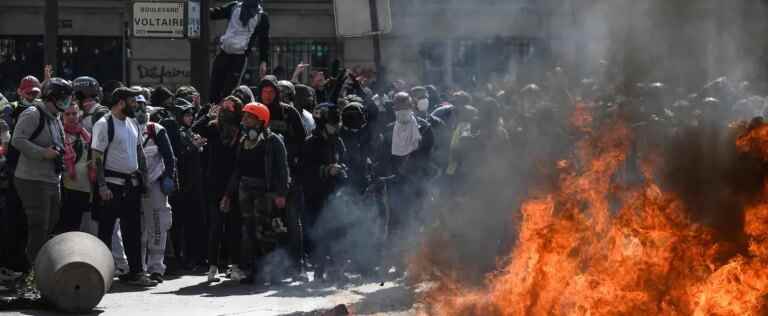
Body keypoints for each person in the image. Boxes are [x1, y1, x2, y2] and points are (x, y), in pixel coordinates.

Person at [91, 87, 156, 286]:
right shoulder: (104, 124)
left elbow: (139, 153)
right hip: (111, 186)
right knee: (105, 231)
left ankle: (136, 273)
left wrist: (144, 181)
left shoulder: (132, 123)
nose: (136, 105)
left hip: (131, 186)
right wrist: (102, 186)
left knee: (133, 231)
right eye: (132, 102)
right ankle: (100, 274)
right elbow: (97, 157)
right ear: (120, 102)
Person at [11, 77, 71, 290]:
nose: (67, 102)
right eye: (63, 98)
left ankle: (40, 272)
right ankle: (32, 276)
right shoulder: (32, 114)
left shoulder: (55, 117)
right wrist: (42, 153)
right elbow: (17, 140)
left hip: (52, 179)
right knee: (39, 226)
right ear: (52, 98)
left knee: (51, 223)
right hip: (32, 179)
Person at [222, 102, 289, 284]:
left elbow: (283, 170)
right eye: (244, 117)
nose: (244, 121)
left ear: (260, 121)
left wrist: (281, 194)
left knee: (266, 232)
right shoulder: (243, 142)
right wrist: (228, 194)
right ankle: (251, 270)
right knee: (248, 231)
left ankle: (273, 271)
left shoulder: (274, 141)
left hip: (265, 192)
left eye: (248, 118)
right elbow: (237, 170)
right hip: (245, 191)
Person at [193, 96, 245, 282]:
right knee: (219, 226)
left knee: (232, 226)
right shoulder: (214, 128)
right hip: (216, 183)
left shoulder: (240, 131)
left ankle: (232, 266)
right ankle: (214, 267)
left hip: (231, 183)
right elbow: (196, 128)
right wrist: (208, 115)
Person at [301, 102, 347, 281]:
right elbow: (305, 170)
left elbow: (344, 160)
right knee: (321, 233)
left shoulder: (337, 141)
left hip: (334, 194)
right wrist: (326, 170)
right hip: (316, 196)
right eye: (332, 123)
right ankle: (319, 271)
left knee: (337, 232)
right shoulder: (311, 143)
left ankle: (336, 269)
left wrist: (341, 169)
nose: (336, 126)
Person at [135, 102, 176, 283]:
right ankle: (138, 268)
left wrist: (168, 177)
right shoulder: (127, 127)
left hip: (155, 185)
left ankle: (156, 268)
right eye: (136, 107)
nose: (140, 112)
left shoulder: (156, 130)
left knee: (158, 226)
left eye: (143, 108)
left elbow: (169, 157)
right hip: (135, 185)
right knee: (138, 229)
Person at [209, 0, 271, 103]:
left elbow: (264, 40)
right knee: (215, 86)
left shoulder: (261, 17)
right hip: (224, 53)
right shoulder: (234, 7)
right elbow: (215, 13)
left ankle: (225, 110)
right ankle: (212, 109)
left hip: (239, 57)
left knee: (229, 90)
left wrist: (263, 61)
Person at [170, 100, 207, 271]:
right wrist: (194, 147)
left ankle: (196, 257)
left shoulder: (188, 132)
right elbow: (179, 156)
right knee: (181, 225)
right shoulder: (176, 133)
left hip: (196, 185)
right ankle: (181, 258)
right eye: (186, 114)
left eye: (191, 114)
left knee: (196, 223)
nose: (190, 118)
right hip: (182, 186)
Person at [58, 102, 93, 233]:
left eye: (74, 113)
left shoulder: (86, 135)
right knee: (68, 230)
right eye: (67, 114)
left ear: (79, 115)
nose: (72, 117)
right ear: (62, 116)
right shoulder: (58, 135)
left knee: (84, 231)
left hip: (86, 189)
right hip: (67, 189)